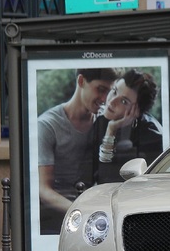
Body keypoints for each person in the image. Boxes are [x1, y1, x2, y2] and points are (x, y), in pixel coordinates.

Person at [38, 67, 119, 234]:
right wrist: (82, 212)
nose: (105, 99)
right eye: (100, 90)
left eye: (109, 92)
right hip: (58, 215)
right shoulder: (47, 125)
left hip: (96, 212)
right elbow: (43, 189)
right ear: (81, 81)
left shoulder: (104, 122)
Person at [93, 69, 163, 184]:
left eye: (124, 101)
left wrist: (111, 131)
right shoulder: (101, 119)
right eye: (114, 91)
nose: (112, 102)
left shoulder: (152, 137)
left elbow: (105, 180)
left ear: (137, 111)